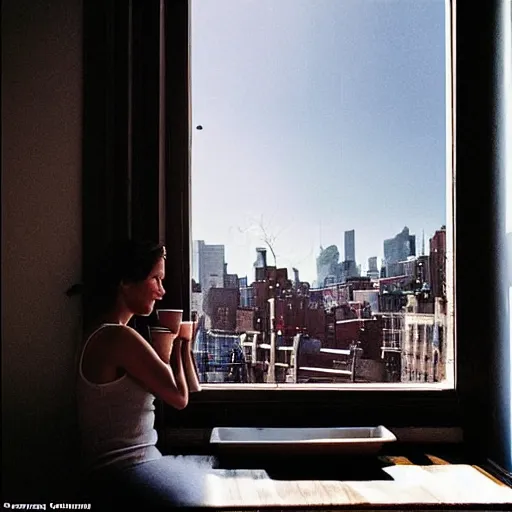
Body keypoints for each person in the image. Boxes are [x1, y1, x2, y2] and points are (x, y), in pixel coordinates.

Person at [73, 239, 216, 510]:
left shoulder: (99, 333)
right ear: (126, 282)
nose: (161, 292)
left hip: (116, 474)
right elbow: (179, 397)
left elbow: (189, 387)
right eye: (155, 279)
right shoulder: (119, 337)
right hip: (126, 475)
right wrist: (180, 340)